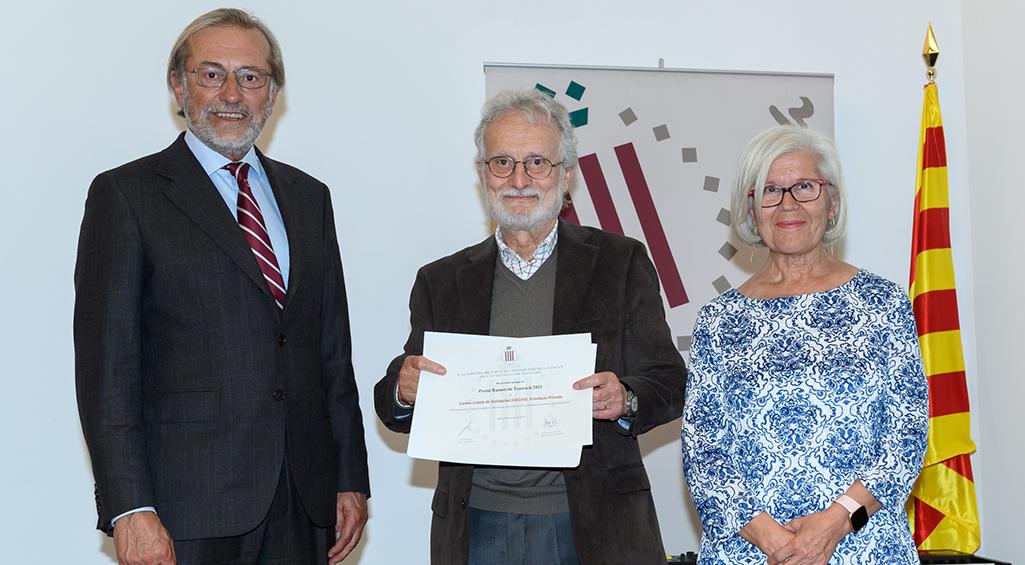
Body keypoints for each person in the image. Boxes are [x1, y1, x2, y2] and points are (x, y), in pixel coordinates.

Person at [74, 9, 369, 564]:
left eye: (251, 77)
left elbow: (332, 352)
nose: (232, 93)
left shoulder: (309, 198)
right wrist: (128, 506)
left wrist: (350, 476)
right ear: (178, 86)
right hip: (186, 507)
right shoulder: (126, 196)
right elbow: (106, 370)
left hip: (304, 502)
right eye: (212, 74)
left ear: (272, 91)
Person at [374, 89, 687, 565]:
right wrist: (404, 387)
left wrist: (625, 397)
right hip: (475, 525)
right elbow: (394, 403)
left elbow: (669, 380)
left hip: (592, 524)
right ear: (482, 175)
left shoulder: (620, 263)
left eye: (537, 162)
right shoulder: (441, 281)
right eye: (502, 163)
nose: (519, 179)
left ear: (565, 176)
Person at [681, 125, 929, 564]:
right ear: (752, 209)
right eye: (770, 190)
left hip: (862, 545)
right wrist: (776, 543)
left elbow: (906, 437)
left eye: (805, 187)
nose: (788, 204)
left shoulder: (883, 303)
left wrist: (833, 524)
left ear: (831, 203)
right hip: (749, 551)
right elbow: (704, 454)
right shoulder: (718, 321)